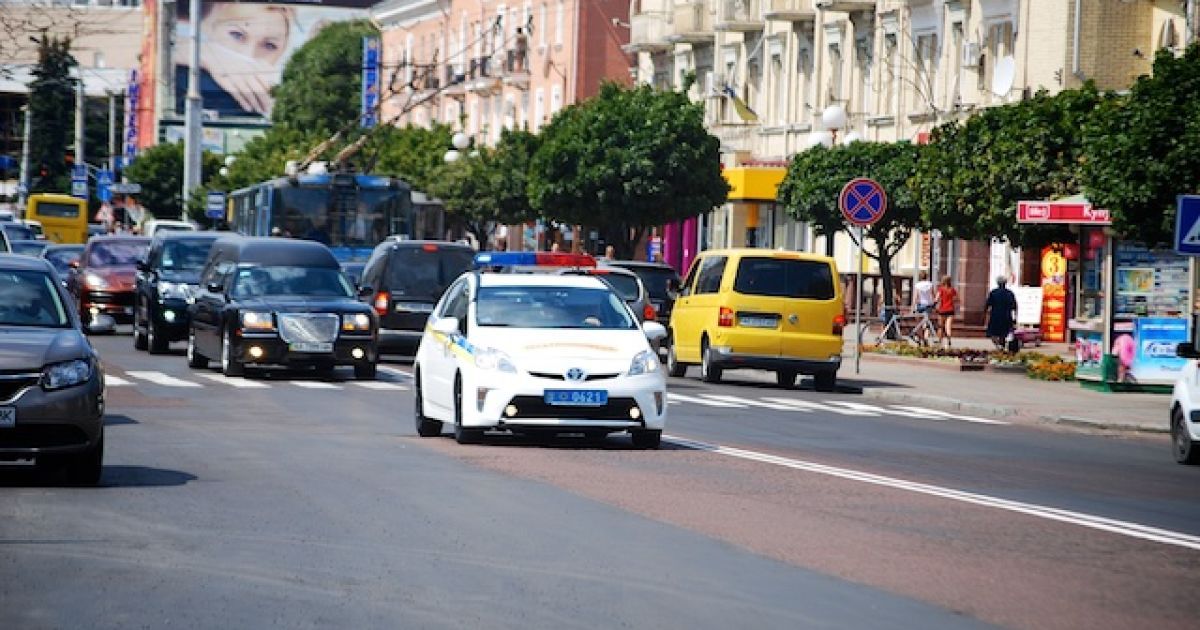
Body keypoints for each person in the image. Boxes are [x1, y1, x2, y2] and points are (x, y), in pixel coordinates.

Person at [984, 276, 1018, 350]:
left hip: (995, 316)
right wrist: (1015, 318)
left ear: (997, 283)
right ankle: (1001, 346)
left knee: (992, 334)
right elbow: (1014, 307)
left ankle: (999, 346)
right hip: (1006, 316)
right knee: (1004, 333)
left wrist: (985, 315)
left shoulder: (993, 292)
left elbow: (987, 305)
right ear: (1005, 283)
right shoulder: (1010, 293)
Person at [912, 271, 935, 343]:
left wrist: (913, 306)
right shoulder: (930, 284)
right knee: (927, 322)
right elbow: (933, 295)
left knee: (919, 323)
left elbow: (915, 297)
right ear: (926, 277)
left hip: (920, 305)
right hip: (928, 305)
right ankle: (926, 338)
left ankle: (919, 338)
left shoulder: (917, 285)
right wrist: (934, 304)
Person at [935, 275, 958, 346]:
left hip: (942, 310)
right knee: (948, 327)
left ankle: (940, 341)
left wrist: (935, 303)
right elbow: (957, 299)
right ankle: (948, 341)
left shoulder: (941, 289)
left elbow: (936, 299)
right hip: (950, 310)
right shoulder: (952, 289)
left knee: (940, 327)